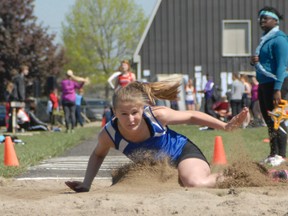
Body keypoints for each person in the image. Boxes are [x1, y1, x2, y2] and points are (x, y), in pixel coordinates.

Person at [65, 80, 248, 192]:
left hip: (183, 154)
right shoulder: (109, 133)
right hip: (161, 168)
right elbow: (98, 154)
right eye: (123, 114)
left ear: (142, 108)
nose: (130, 119)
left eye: (135, 112)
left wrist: (225, 126)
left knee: (194, 183)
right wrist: (86, 184)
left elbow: (192, 116)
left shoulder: (156, 116)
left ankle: (241, 175)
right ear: (114, 112)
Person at [250, 6, 288, 166]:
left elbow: (282, 65)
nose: (262, 20)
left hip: (278, 84)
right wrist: (255, 62)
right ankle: (273, 153)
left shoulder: (279, 39)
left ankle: (281, 155)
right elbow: (267, 62)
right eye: (260, 18)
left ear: (275, 20)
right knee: (269, 120)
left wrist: (278, 88)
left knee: (278, 118)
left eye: (265, 18)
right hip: (264, 84)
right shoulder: (265, 39)